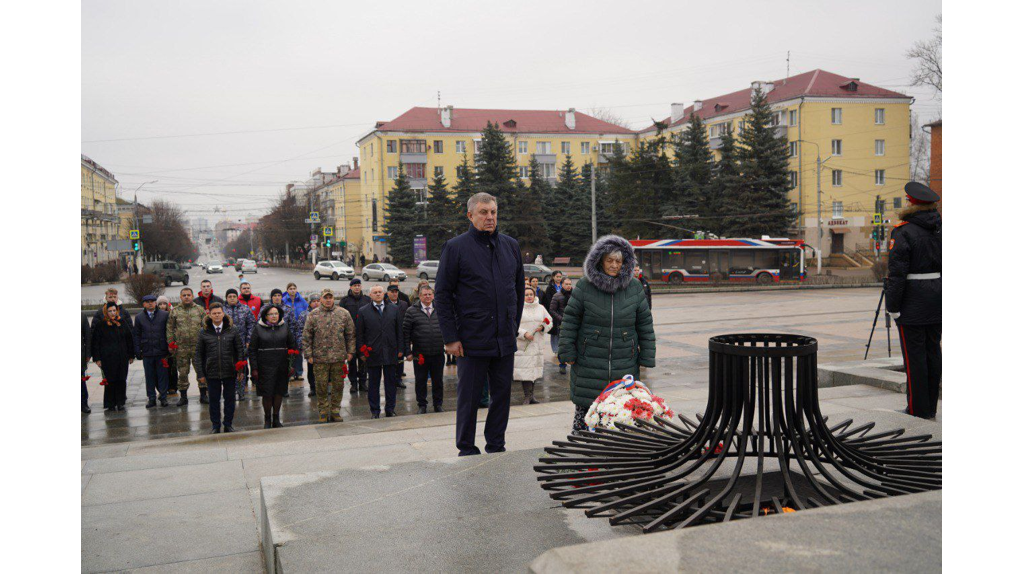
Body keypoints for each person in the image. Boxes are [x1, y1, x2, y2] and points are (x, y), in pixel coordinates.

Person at [435, 192, 525, 456]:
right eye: (484, 212)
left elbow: (517, 290)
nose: (490, 217)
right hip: (471, 339)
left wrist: (512, 325)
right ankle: (466, 447)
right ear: (470, 215)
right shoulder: (456, 247)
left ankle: (496, 445)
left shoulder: (510, 246)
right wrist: (450, 337)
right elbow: (442, 294)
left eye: (493, 212)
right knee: (469, 399)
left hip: (503, 339)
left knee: (502, 397)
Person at [558, 235, 656, 433]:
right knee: (587, 410)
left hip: (624, 360)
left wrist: (647, 355)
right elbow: (570, 321)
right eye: (609, 260)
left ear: (625, 263)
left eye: (618, 261)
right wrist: (567, 352)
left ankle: (615, 452)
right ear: (600, 261)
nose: (613, 265)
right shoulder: (585, 286)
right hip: (589, 360)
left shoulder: (635, 287)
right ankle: (584, 448)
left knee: (620, 412)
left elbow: (645, 323)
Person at [886, 181, 942, 420]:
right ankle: (930, 407)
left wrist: (893, 307)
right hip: (937, 298)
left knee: (914, 358)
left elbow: (897, 273)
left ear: (911, 203)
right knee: (933, 354)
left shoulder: (903, 231)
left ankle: (916, 409)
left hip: (912, 302)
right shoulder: (940, 229)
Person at [303, 288, 356, 422]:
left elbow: (350, 334)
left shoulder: (343, 313)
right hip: (320, 358)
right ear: (321, 299)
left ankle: (335, 410)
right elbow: (307, 336)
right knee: (320, 385)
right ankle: (323, 411)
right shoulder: (313, 315)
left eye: (330, 297)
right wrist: (308, 354)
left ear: (334, 299)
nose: (328, 300)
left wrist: (350, 351)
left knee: (338, 385)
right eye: (325, 298)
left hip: (338, 357)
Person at [194, 303, 245, 433]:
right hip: (212, 371)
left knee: (230, 399)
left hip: (229, 370)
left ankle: (228, 424)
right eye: (214, 313)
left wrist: (240, 370)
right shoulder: (203, 331)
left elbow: (240, 351)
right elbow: (198, 354)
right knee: (214, 400)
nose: (217, 315)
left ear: (223, 313)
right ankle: (215, 425)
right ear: (209, 315)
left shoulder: (232, 329)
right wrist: (200, 373)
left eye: (219, 313)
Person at [357, 285, 403, 418]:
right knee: (373, 384)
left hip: (390, 351)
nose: (378, 294)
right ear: (370, 295)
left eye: (380, 292)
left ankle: (390, 409)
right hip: (373, 353)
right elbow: (359, 334)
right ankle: (375, 411)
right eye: (375, 292)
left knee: (390, 383)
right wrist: (361, 353)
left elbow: (399, 331)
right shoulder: (363, 311)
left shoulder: (394, 309)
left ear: (384, 294)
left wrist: (400, 349)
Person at [249, 304, 296, 428]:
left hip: (281, 365)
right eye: (271, 314)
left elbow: (292, 346)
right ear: (265, 316)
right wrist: (254, 368)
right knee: (267, 393)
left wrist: (291, 364)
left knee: (279, 392)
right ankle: (267, 419)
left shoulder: (285, 327)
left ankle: (276, 418)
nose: (274, 316)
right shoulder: (258, 328)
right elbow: (252, 350)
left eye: (276, 314)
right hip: (265, 366)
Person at [403, 284, 445, 413]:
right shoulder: (411, 311)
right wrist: (407, 352)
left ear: (433, 295)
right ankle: (422, 405)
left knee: (438, 380)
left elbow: (448, 327)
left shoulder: (441, 309)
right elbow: (405, 333)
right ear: (419, 296)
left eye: (430, 294)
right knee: (420, 381)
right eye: (425, 294)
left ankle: (438, 404)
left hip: (438, 352)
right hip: (420, 354)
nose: (427, 297)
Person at [167, 287, 207, 406]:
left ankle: (203, 395)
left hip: (197, 347)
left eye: (188, 295)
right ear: (180, 297)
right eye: (184, 295)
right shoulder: (175, 311)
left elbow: (205, 327)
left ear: (192, 296)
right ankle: (183, 397)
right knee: (183, 373)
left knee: (201, 371)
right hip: (181, 348)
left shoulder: (199, 310)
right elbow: (169, 328)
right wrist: (171, 343)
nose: (186, 297)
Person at [91, 302, 135, 411]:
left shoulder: (122, 322)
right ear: (106, 312)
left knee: (121, 379)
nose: (112, 313)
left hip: (122, 357)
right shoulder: (101, 325)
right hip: (108, 358)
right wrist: (97, 358)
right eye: (110, 311)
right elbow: (95, 342)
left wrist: (131, 355)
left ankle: (120, 402)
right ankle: (110, 403)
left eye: (114, 310)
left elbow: (129, 339)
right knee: (110, 380)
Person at [514, 288, 553, 405]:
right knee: (525, 371)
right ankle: (527, 396)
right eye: (526, 295)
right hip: (523, 345)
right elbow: (513, 324)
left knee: (534, 371)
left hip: (536, 345)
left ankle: (532, 396)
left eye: (531, 294)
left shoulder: (541, 308)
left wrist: (543, 327)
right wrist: (524, 333)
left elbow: (549, 321)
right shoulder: (518, 307)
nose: (529, 296)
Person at [133, 294, 170, 408]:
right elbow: (137, 335)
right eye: (147, 301)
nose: (150, 303)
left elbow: (169, 332)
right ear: (143, 304)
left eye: (152, 301)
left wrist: (170, 347)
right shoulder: (139, 317)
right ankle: (151, 398)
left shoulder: (164, 315)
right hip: (147, 351)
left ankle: (163, 397)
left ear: (155, 303)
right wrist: (137, 350)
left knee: (162, 375)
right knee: (149, 376)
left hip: (161, 350)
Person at [339, 278, 371, 394]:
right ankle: (353, 383)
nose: (357, 287)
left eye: (358, 285)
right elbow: (341, 317)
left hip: (364, 335)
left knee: (363, 360)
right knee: (351, 361)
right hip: (350, 336)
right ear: (350, 287)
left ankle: (363, 382)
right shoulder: (345, 301)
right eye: (354, 285)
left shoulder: (367, 299)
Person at [224, 288, 256, 401]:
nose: (232, 298)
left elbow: (251, 324)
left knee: (241, 367)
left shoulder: (245, 309)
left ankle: (241, 391)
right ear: (226, 298)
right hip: (226, 345)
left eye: (234, 296)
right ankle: (231, 391)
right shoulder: (222, 310)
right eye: (229, 297)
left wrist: (248, 340)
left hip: (242, 344)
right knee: (228, 368)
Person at [283, 283, 309, 382]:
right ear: (287, 290)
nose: (292, 290)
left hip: (299, 330)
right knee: (289, 353)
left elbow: (306, 311)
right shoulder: (284, 300)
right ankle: (291, 373)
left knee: (298, 352)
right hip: (289, 329)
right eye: (290, 288)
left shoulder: (301, 300)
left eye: (294, 288)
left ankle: (299, 372)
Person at [548, 277, 573, 375]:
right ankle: (562, 365)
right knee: (562, 346)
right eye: (566, 284)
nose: (568, 286)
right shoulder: (557, 296)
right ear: (562, 284)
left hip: (573, 323)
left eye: (570, 284)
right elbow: (552, 310)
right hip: (561, 324)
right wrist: (561, 319)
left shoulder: (575, 295)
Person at [296, 294, 320, 397]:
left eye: (318, 300)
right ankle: (313, 388)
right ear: (310, 303)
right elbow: (300, 330)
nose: (316, 303)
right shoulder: (304, 314)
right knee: (311, 369)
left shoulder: (326, 313)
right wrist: (303, 345)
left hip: (324, 347)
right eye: (313, 301)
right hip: (311, 347)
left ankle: (325, 387)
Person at [386, 285, 410, 386]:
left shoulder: (404, 304)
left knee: (400, 358)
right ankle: (391, 379)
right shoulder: (385, 304)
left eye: (396, 292)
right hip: (389, 334)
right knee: (390, 359)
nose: (395, 293)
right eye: (392, 292)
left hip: (402, 334)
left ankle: (399, 378)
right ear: (388, 293)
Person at [156, 296, 178, 395]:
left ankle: (173, 386)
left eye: (164, 303)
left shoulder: (172, 314)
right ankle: (163, 387)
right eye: (160, 304)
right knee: (162, 367)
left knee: (172, 366)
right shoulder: (156, 315)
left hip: (171, 343)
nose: (162, 306)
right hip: (160, 344)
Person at [82, 314, 91, 414]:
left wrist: (88, 354)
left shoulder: (82, 316)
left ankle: (83, 404)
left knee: (81, 381)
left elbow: (87, 336)